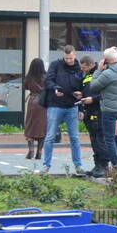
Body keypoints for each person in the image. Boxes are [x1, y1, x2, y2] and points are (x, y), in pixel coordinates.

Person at [80, 46, 117, 174]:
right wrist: (115, 52)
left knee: (109, 139)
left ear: (106, 60)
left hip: (109, 110)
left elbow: (94, 86)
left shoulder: (107, 74)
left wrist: (98, 70)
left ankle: (116, 166)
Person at [41, 45, 85, 174]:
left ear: (75, 55)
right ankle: (46, 165)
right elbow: (48, 81)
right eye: (66, 58)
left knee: (75, 137)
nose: (69, 61)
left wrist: (80, 100)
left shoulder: (78, 68)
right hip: (55, 104)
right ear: (63, 56)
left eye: (71, 58)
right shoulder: (56, 65)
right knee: (50, 136)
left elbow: (83, 86)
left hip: (72, 105)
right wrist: (55, 88)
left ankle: (78, 165)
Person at [77, 55, 107, 177]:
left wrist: (92, 100)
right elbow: (85, 91)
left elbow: (104, 94)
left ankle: (104, 166)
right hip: (88, 110)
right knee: (94, 140)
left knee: (99, 140)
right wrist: (81, 96)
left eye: (84, 67)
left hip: (97, 110)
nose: (82, 69)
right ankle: (97, 165)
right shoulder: (87, 75)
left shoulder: (99, 74)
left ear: (90, 65)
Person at [22, 58, 47, 160]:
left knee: (30, 126)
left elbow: (26, 87)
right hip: (43, 103)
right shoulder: (46, 77)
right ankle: (39, 152)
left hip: (32, 102)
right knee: (42, 128)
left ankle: (31, 151)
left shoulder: (29, 77)